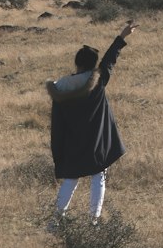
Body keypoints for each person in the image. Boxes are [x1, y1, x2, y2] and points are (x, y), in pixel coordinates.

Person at [46, 20, 136, 225]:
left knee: (70, 180)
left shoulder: (59, 89)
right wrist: (122, 36)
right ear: (92, 65)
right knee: (98, 176)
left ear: (76, 63)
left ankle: (55, 221)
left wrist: (57, 151)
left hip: (71, 144)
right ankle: (93, 221)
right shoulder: (98, 80)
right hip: (96, 142)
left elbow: (57, 124)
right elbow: (109, 60)